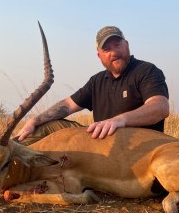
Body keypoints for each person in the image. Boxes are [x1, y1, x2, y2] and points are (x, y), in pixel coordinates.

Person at [17, 26, 169, 142]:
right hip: (102, 143)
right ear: (99, 55)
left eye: (117, 45)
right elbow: (68, 105)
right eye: (107, 49)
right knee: (44, 127)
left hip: (135, 146)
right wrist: (34, 120)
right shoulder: (97, 81)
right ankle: (4, 157)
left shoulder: (146, 71)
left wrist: (120, 120)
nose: (113, 52)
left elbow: (160, 107)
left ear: (127, 45)